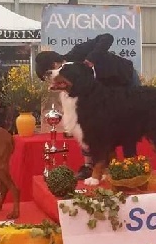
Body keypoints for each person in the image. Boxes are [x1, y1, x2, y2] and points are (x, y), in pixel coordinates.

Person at [35, 33, 140, 179]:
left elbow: (108, 37)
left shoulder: (79, 52)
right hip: (105, 90)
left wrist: (92, 58)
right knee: (89, 126)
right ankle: (96, 166)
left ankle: (132, 163)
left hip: (124, 79)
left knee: (128, 124)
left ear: (54, 65)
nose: (51, 77)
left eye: (48, 74)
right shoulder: (67, 76)